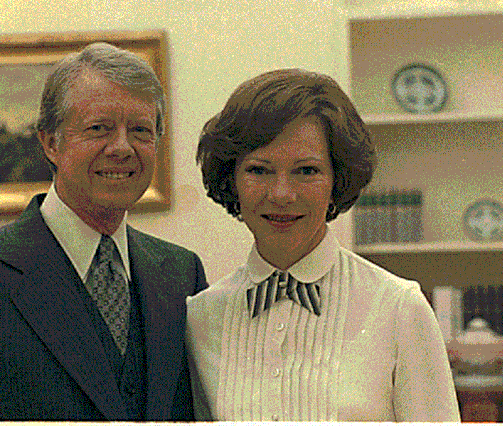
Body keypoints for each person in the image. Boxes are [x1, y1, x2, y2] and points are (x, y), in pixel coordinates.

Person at [0, 42, 208, 421]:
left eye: (140, 130)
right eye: (99, 128)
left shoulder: (181, 273)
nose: (122, 147)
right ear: (50, 142)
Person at [186, 68, 460, 421]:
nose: (282, 194)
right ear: (231, 179)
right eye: (259, 170)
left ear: (337, 179)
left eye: (306, 170)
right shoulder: (201, 318)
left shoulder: (399, 308)